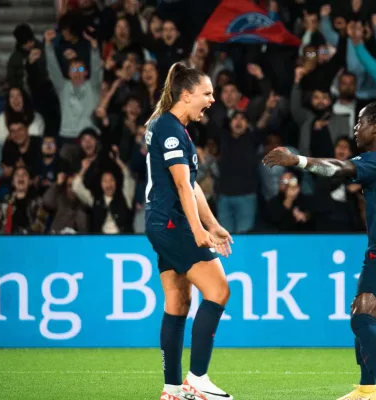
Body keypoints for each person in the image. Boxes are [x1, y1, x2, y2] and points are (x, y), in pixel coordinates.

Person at [264, 101, 376, 400]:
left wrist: (296, 160)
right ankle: (366, 389)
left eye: (361, 121)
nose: (355, 127)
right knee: (362, 315)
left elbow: (338, 167)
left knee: (362, 321)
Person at [144, 62, 234, 400]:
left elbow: (192, 185)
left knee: (179, 302)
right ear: (186, 94)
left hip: (161, 222)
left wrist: (213, 225)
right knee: (219, 291)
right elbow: (182, 185)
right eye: (207, 93)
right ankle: (197, 380)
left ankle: (172, 389)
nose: (212, 100)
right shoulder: (169, 128)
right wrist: (198, 230)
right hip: (173, 223)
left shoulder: (169, 126)